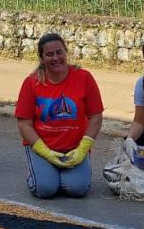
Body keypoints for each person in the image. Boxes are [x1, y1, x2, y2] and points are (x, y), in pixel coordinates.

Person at [15, 33, 104, 199]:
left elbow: (96, 117)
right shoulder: (31, 83)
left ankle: (58, 174)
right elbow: (24, 125)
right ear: (41, 58)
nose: (56, 58)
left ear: (66, 52)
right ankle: (40, 171)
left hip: (75, 147)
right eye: (49, 54)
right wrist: (46, 153)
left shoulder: (84, 78)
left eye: (59, 52)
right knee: (46, 190)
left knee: (77, 190)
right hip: (42, 147)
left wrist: (83, 148)